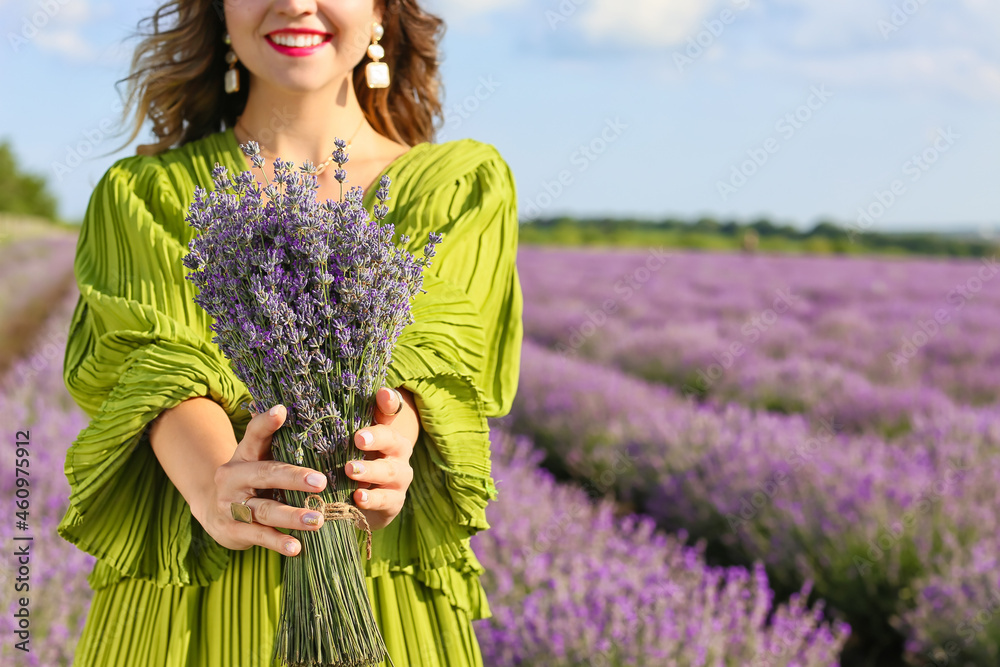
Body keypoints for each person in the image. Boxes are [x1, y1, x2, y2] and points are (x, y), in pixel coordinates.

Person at [56, 0, 523, 665]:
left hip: (380, 589)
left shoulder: (460, 191)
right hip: (191, 610)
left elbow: (441, 353)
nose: (296, 1)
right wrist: (223, 482)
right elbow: (153, 362)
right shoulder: (144, 196)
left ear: (382, 10)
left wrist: (387, 448)